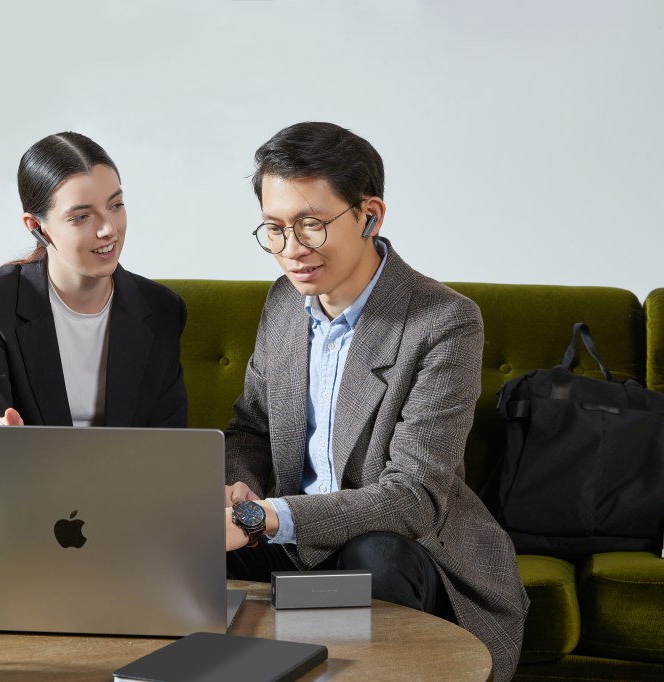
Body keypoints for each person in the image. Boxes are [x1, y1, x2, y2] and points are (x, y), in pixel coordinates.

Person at [223, 122, 529, 680]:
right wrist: (241, 485)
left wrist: (260, 516)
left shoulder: (444, 321)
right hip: (294, 541)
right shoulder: (284, 303)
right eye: (275, 229)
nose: (292, 251)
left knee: (375, 558)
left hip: (406, 545)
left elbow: (412, 498)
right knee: (182, 550)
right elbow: (250, 428)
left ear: (370, 215)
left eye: (312, 225)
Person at [0, 132, 188, 560]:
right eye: (81, 216)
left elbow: (169, 445)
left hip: (112, 509)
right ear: (38, 227)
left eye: (116, 204)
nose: (109, 228)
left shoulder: (161, 310)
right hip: (3, 499)